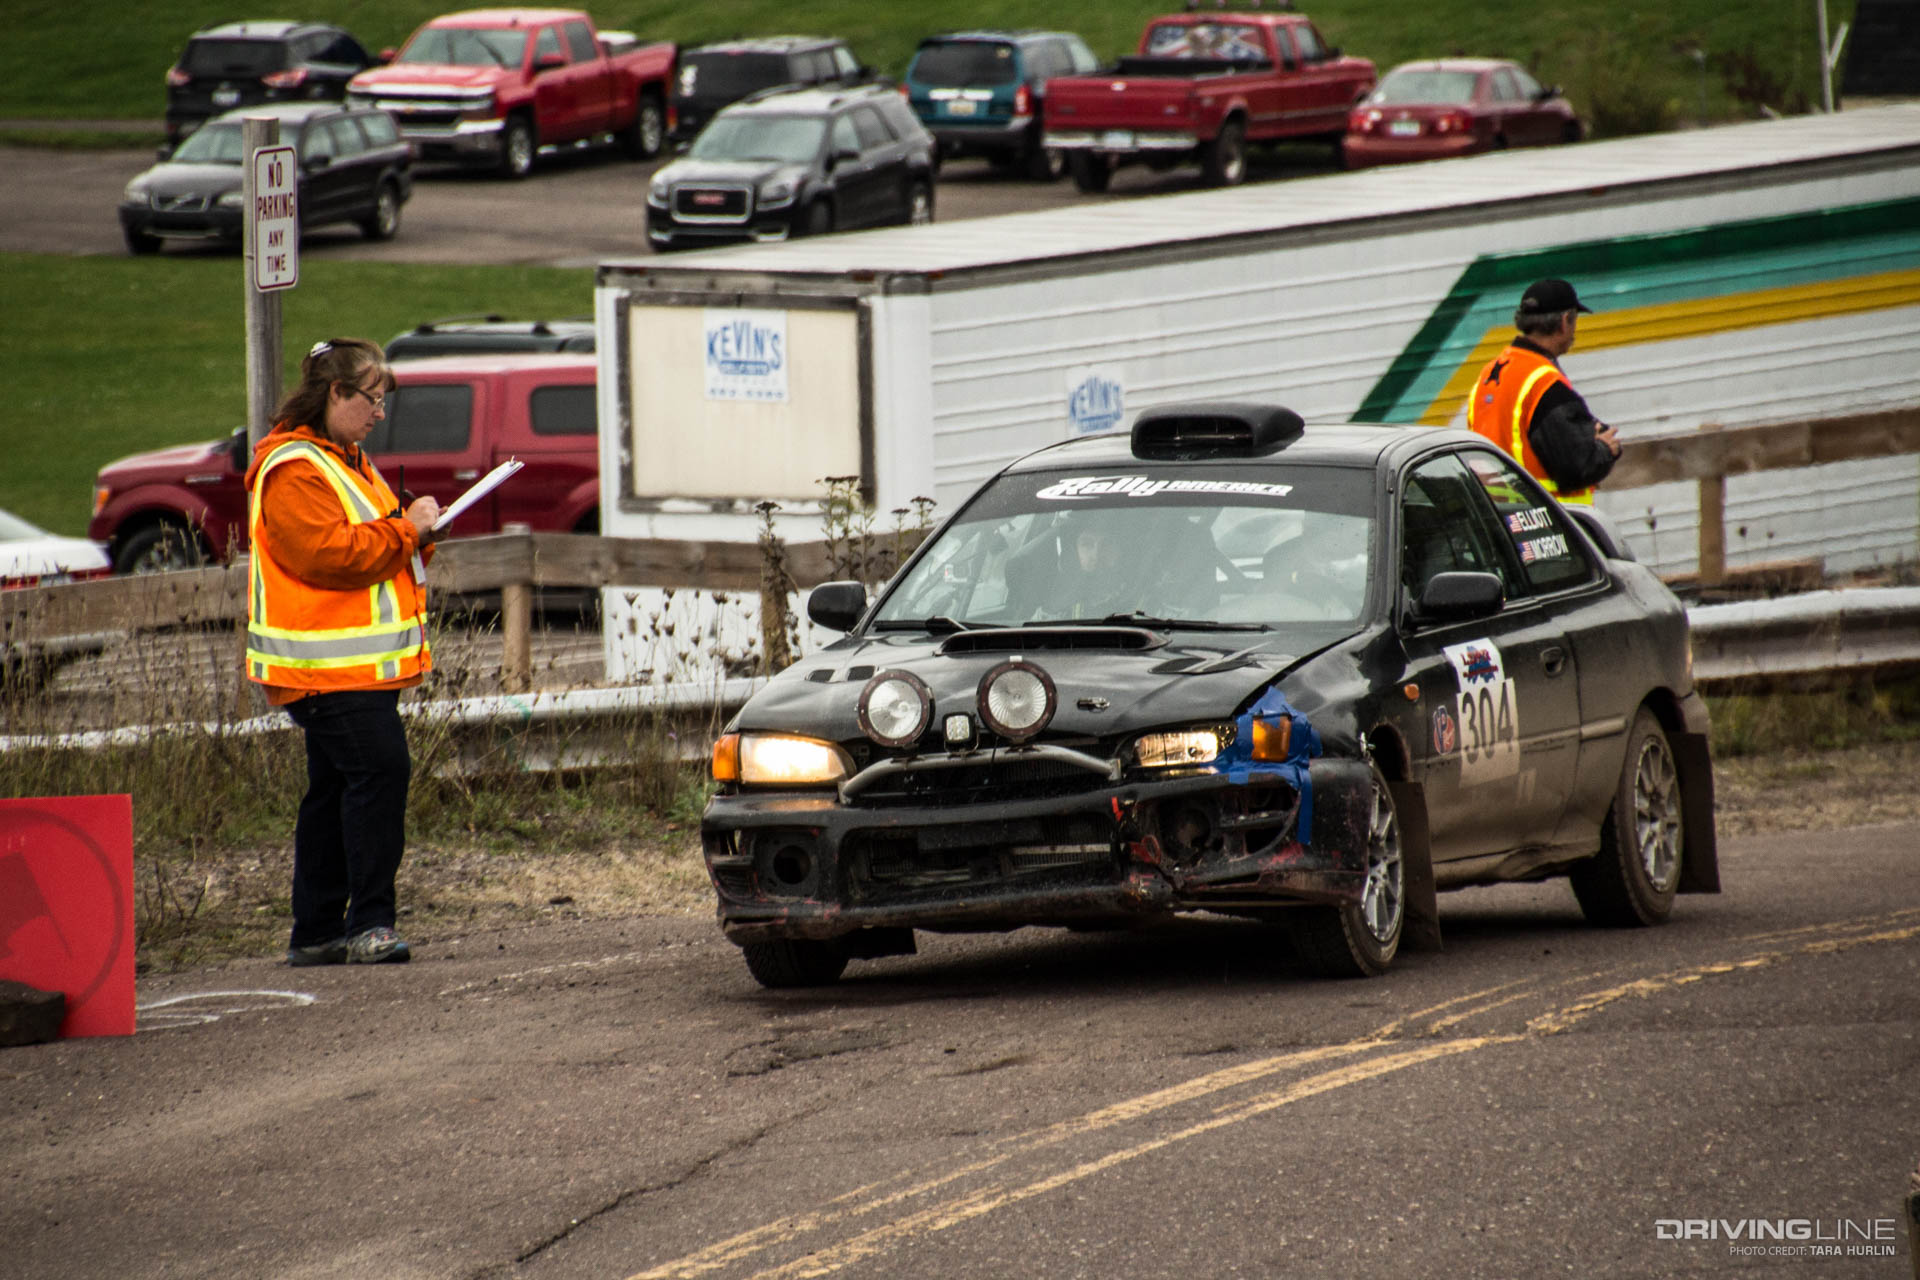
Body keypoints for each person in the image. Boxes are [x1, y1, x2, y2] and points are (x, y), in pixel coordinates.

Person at [245, 338, 441, 967]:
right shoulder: (295, 468)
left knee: (332, 791)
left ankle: (319, 929)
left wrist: (415, 533)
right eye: (371, 399)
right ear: (335, 394)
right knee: (380, 773)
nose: (379, 413)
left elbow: (375, 542)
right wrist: (407, 529)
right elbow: (331, 555)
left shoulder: (345, 458)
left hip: (347, 668)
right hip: (323, 669)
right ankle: (370, 923)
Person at [1466, 278, 1621, 505]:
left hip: (1502, 522)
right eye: (1574, 320)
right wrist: (1605, 449)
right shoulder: (1545, 384)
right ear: (1564, 321)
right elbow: (1576, 468)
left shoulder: (1488, 376)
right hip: (1550, 525)